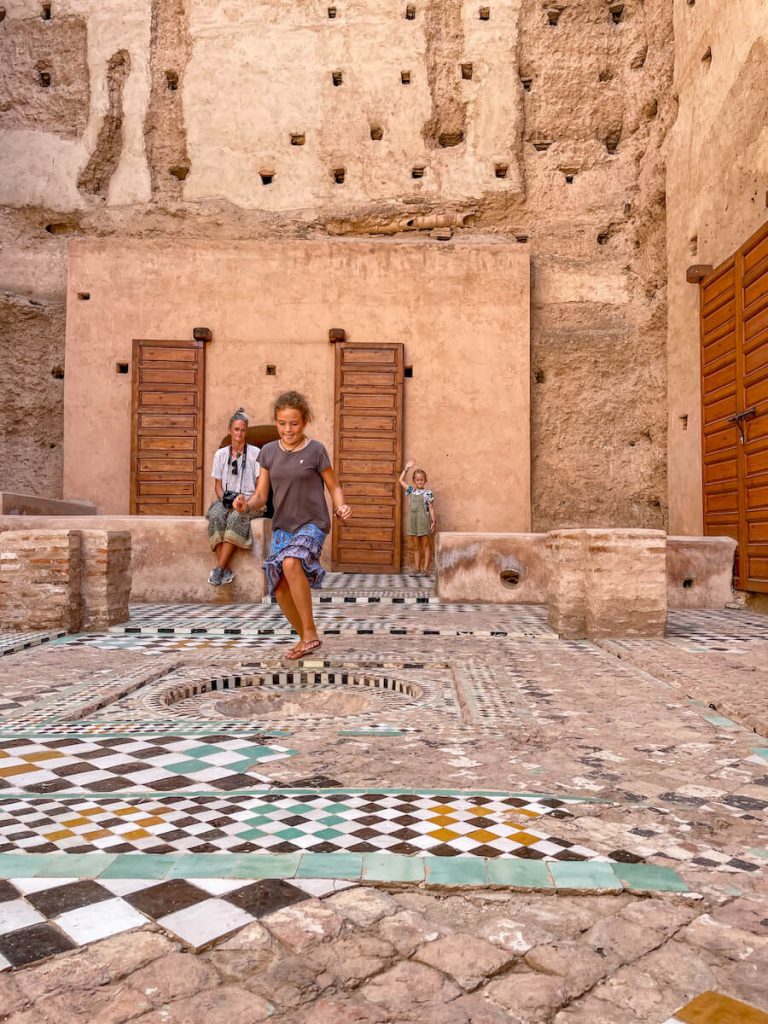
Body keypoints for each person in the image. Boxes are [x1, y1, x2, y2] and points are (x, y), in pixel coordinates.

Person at [235, 390, 351, 660]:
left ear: (305, 421)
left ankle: (309, 632)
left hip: (312, 523)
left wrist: (341, 505)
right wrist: (246, 505)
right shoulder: (268, 452)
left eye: (294, 423)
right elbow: (262, 496)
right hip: (283, 526)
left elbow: (334, 486)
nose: (288, 429)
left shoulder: (316, 451)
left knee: (290, 563)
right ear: (276, 422)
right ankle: (305, 639)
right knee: (278, 585)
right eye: (282, 423)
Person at [206, 408, 262, 586]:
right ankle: (224, 570)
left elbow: (260, 486)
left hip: (250, 502)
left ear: (247, 431)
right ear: (230, 430)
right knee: (215, 515)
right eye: (236, 429)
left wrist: (245, 502)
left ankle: (219, 569)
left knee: (237, 516)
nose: (239, 433)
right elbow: (217, 485)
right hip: (226, 500)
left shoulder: (255, 454)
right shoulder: (220, 455)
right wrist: (227, 501)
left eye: (243, 430)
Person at [398, 459, 436, 576]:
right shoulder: (411, 491)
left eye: (422, 480)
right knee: (415, 546)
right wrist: (406, 469)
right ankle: (417, 568)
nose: (420, 481)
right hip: (413, 521)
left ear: (425, 480)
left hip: (423, 521)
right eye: (417, 479)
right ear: (414, 481)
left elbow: (431, 508)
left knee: (425, 545)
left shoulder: (428, 493)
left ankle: (425, 569)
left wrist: (433, 521)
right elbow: (400, 480)